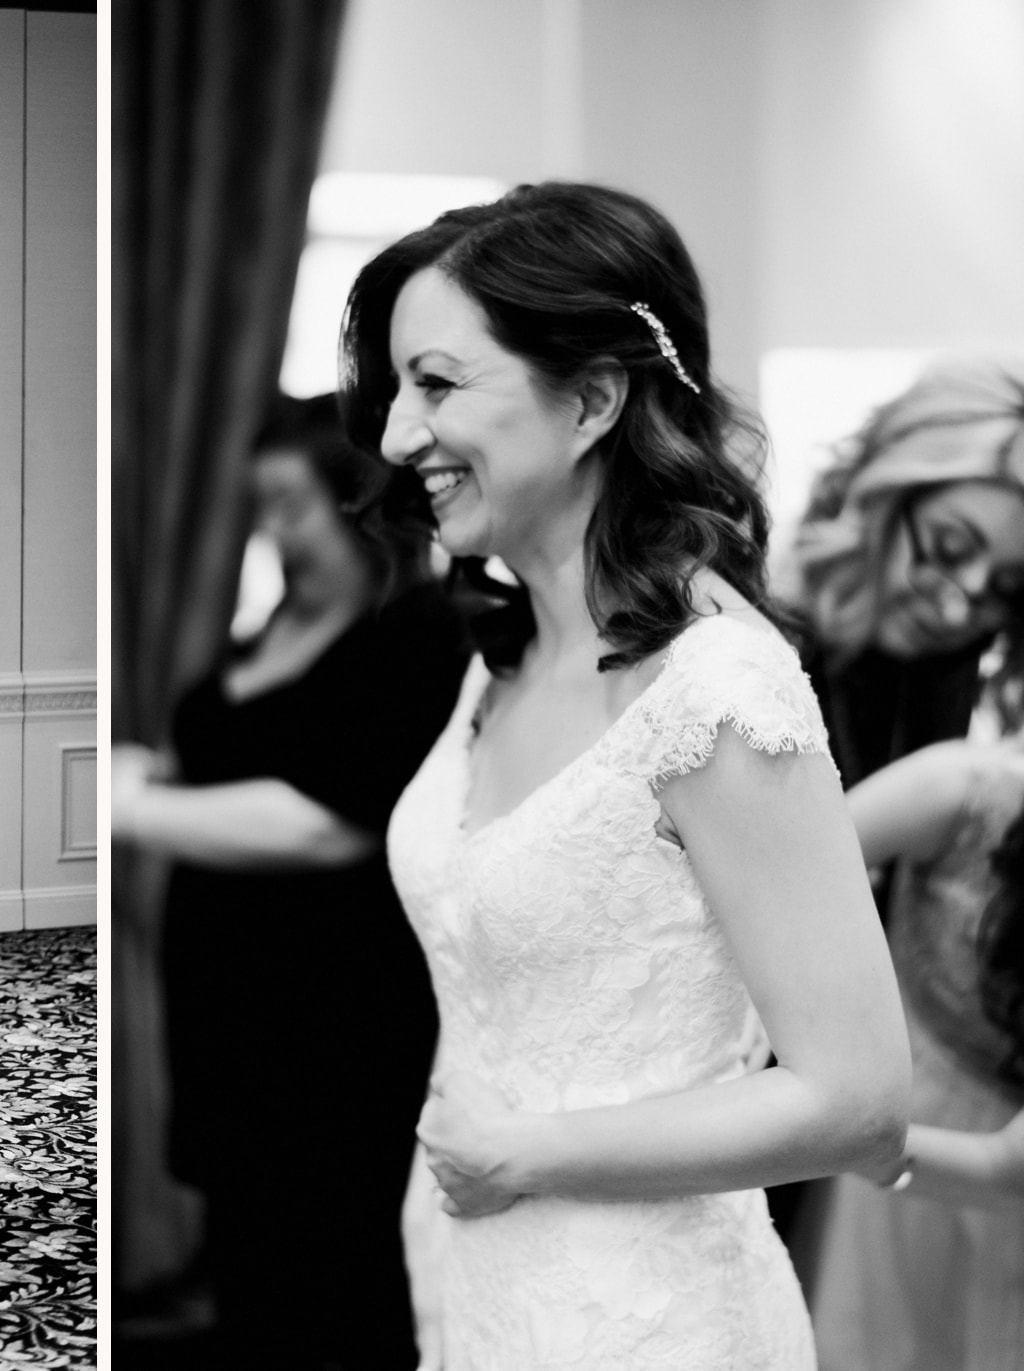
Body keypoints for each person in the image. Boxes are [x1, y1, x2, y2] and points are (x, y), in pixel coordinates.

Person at [341, 181, 910, 1368]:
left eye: (436, 384)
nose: (397, 436)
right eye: (397, 390)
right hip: (477, 1275)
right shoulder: (502, 655)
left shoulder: (719, 695)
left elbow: (856, 1100)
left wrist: (525, 1156)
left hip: (649, 1318)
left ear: (594, 397)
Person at [111, 393, 468, 1369]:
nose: (270, 531)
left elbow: (329, 823)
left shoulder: (416, 638)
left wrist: (133, 810)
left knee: (338, 1278)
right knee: (250, 1275)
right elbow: (220, 757)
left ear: (360, 508)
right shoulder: (262, 634)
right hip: (226, 1017)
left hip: (336, 1020)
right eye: (259, 505)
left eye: (289, 504)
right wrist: (156, 773)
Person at [807, 738, 1024, 1369]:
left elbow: (1006, 1169)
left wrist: (857, 1141)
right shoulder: (964, 789)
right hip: (897, 1114)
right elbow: (780, 874)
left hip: (967, 1172)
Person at [790, 354, 1024, 788]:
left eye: (1007, 589)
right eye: (949, 549)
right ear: (880, 500)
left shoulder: (950, 668)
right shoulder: (750, 646)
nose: (955, 612)